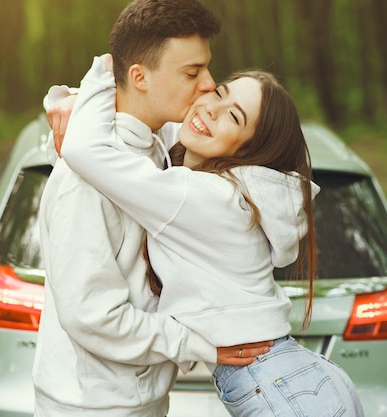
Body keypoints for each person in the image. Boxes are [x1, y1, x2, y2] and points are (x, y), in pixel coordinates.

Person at [58, 54, 365, 417]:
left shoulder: (200, 195)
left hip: (276, 389)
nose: (212, 110)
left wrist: (105, 70)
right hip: (292, 378)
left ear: (250, 150)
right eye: (218, 93)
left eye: (235, 116)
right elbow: (152, 123)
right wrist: (67, 102)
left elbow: (84, 150)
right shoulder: (233, 191)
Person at [33, 1, 272, 416]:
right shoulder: (84, 180)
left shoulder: (160, 142)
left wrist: (79, 97)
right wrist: (199, 342)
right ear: (140, 77)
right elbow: (93, 316)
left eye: (207, 69)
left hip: (140, 399)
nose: (208, 84)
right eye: (192, 73)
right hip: (92, 407)